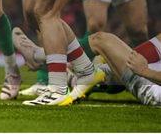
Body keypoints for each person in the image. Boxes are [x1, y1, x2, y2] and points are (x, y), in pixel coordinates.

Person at [14, 30, 161, 106]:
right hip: (153, 73)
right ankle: (73, 77)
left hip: (154, 89)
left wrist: (145, 71)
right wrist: (119, 57)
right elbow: (146, 52)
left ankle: (38, 56)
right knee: (103, 65)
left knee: (102, 40)